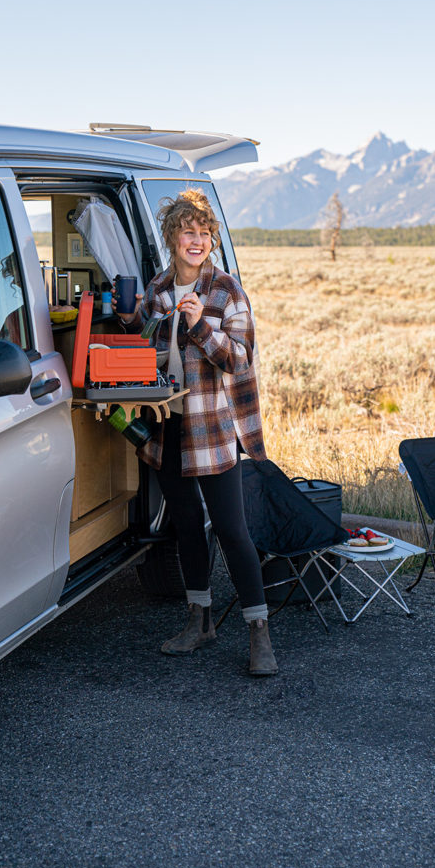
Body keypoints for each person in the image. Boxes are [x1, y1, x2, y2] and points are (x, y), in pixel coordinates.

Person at [114, 188, 278, 676]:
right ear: (172, 236)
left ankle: (258, 633)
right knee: (186, 527)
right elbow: (145, 347)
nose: (198, 241)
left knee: (231, 530)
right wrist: (133, 318)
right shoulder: (160, 286)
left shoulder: (226, 290)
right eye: (189, 232)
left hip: (212, 430)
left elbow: (243, 357)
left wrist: (200, 328)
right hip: (168, 431)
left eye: (206, 233)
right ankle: (200, 621)